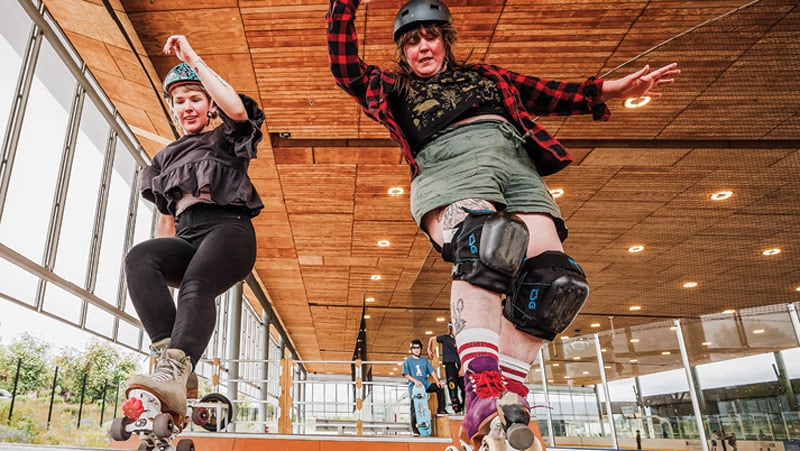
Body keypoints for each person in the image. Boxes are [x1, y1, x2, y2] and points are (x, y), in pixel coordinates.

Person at [326, 0, 679, 448]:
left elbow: (550, 93)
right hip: (450, 170)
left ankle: (507, 393)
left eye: (430, 37)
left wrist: (612, 90)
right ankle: (481, 384)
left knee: (557, 284)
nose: (423, 48)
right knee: (487, 244)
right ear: (403, 52)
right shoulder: (393, 86)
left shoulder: (489, 77)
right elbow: (345, 68)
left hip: (516, 167)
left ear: (445, 40)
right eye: (412, 42)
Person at [123, 34, 264, 424]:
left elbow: (237, 109)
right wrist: (160, 254)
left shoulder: (226, 136)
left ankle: (175, 366)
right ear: (172, 108)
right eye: (180, 101)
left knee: (196, 283)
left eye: (195, 99)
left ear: (209, 106)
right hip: (187, 236)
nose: (188, 107)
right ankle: (175, 370)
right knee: (140, 257)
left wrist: (192, 59)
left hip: (228, 230)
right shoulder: (164, 157)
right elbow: (167, 218)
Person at [403, 339, 447, 435]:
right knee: (414, 407)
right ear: (411, 349)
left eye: (418, 348)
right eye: (414, 348)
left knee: (439, 388)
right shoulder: (408, 361)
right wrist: (415, 381)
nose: (416, 350)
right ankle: (415, 429)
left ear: (420, 349)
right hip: (414, 387)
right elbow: (406, 374)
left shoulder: (424, 360)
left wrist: (437, 382)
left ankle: (441, 410)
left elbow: (432, 371)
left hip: (425, 384)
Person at [428, 323, 464, 413]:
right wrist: (429, 349)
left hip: (460, 365)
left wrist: (462, 367)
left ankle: (464, 406)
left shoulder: (461, 339)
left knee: (464, 387)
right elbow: (432, 338)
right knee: (452, 387)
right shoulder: (445, 338)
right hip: (449, 364)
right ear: (450, 329)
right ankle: (457, 408)